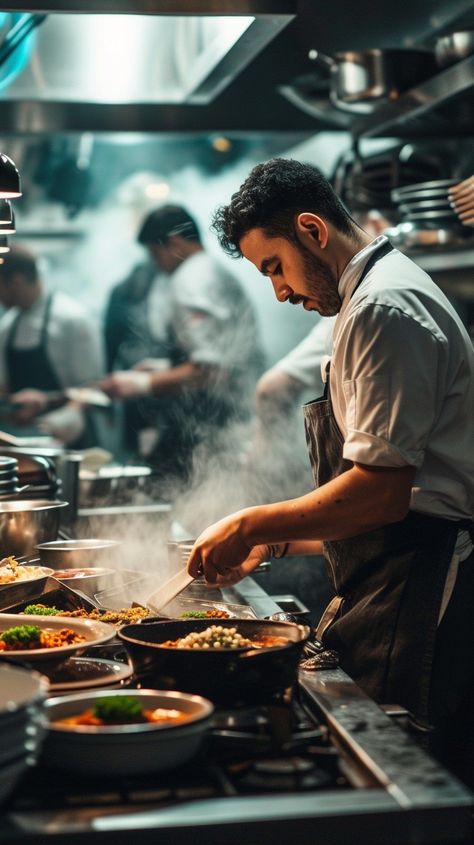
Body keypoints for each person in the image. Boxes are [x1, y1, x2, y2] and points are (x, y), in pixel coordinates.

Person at [187, 158, 474, 785]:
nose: (280, 293)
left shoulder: (384, 308)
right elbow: (395, 502)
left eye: (274, 268)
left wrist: (250, 520)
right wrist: (275, 540)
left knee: (417, 783)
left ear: (313, 230)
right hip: (398, 570)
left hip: (429, 591)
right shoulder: (364, 301)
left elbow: (382, 494)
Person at [100, 204, 264, 481]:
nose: (156, 265)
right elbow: (219, 352)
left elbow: (210, 371)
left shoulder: (192, 279)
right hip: (232, 417)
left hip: (216, 424)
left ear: (174, 243)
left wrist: (140, 384)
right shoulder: (210, 271)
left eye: (155, 254)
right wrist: (165, 367)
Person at [0, 245, 104, 445]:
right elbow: (4, 387)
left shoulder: (73, 319)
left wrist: (60, 408)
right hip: (21, 439)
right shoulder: (6, 326)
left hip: (70, 438)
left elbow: (95, 387)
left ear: (16, 282)